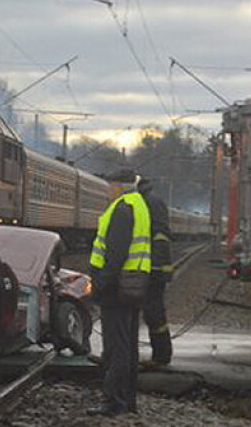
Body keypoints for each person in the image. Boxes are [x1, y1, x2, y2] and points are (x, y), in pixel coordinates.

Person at [88, 168, 151, 417]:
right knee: (128, 344)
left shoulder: (122, 209)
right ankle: (127, 401)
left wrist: (102, 283)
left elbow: (115, 254)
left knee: (116, 347)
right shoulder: (138, 205)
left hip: (117, 288)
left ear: (120, 186)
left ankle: (114, 402)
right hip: (132, 285)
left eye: (110, 185)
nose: (107, 189)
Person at [137, 177, 174, 369]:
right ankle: (162, 354)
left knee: (153, 313)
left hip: (153, 267)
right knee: (155, 312)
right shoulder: (155, 200)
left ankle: (161, 356)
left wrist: (155, 267)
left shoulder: (147, 202)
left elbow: (157, 236)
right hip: (157, 266)